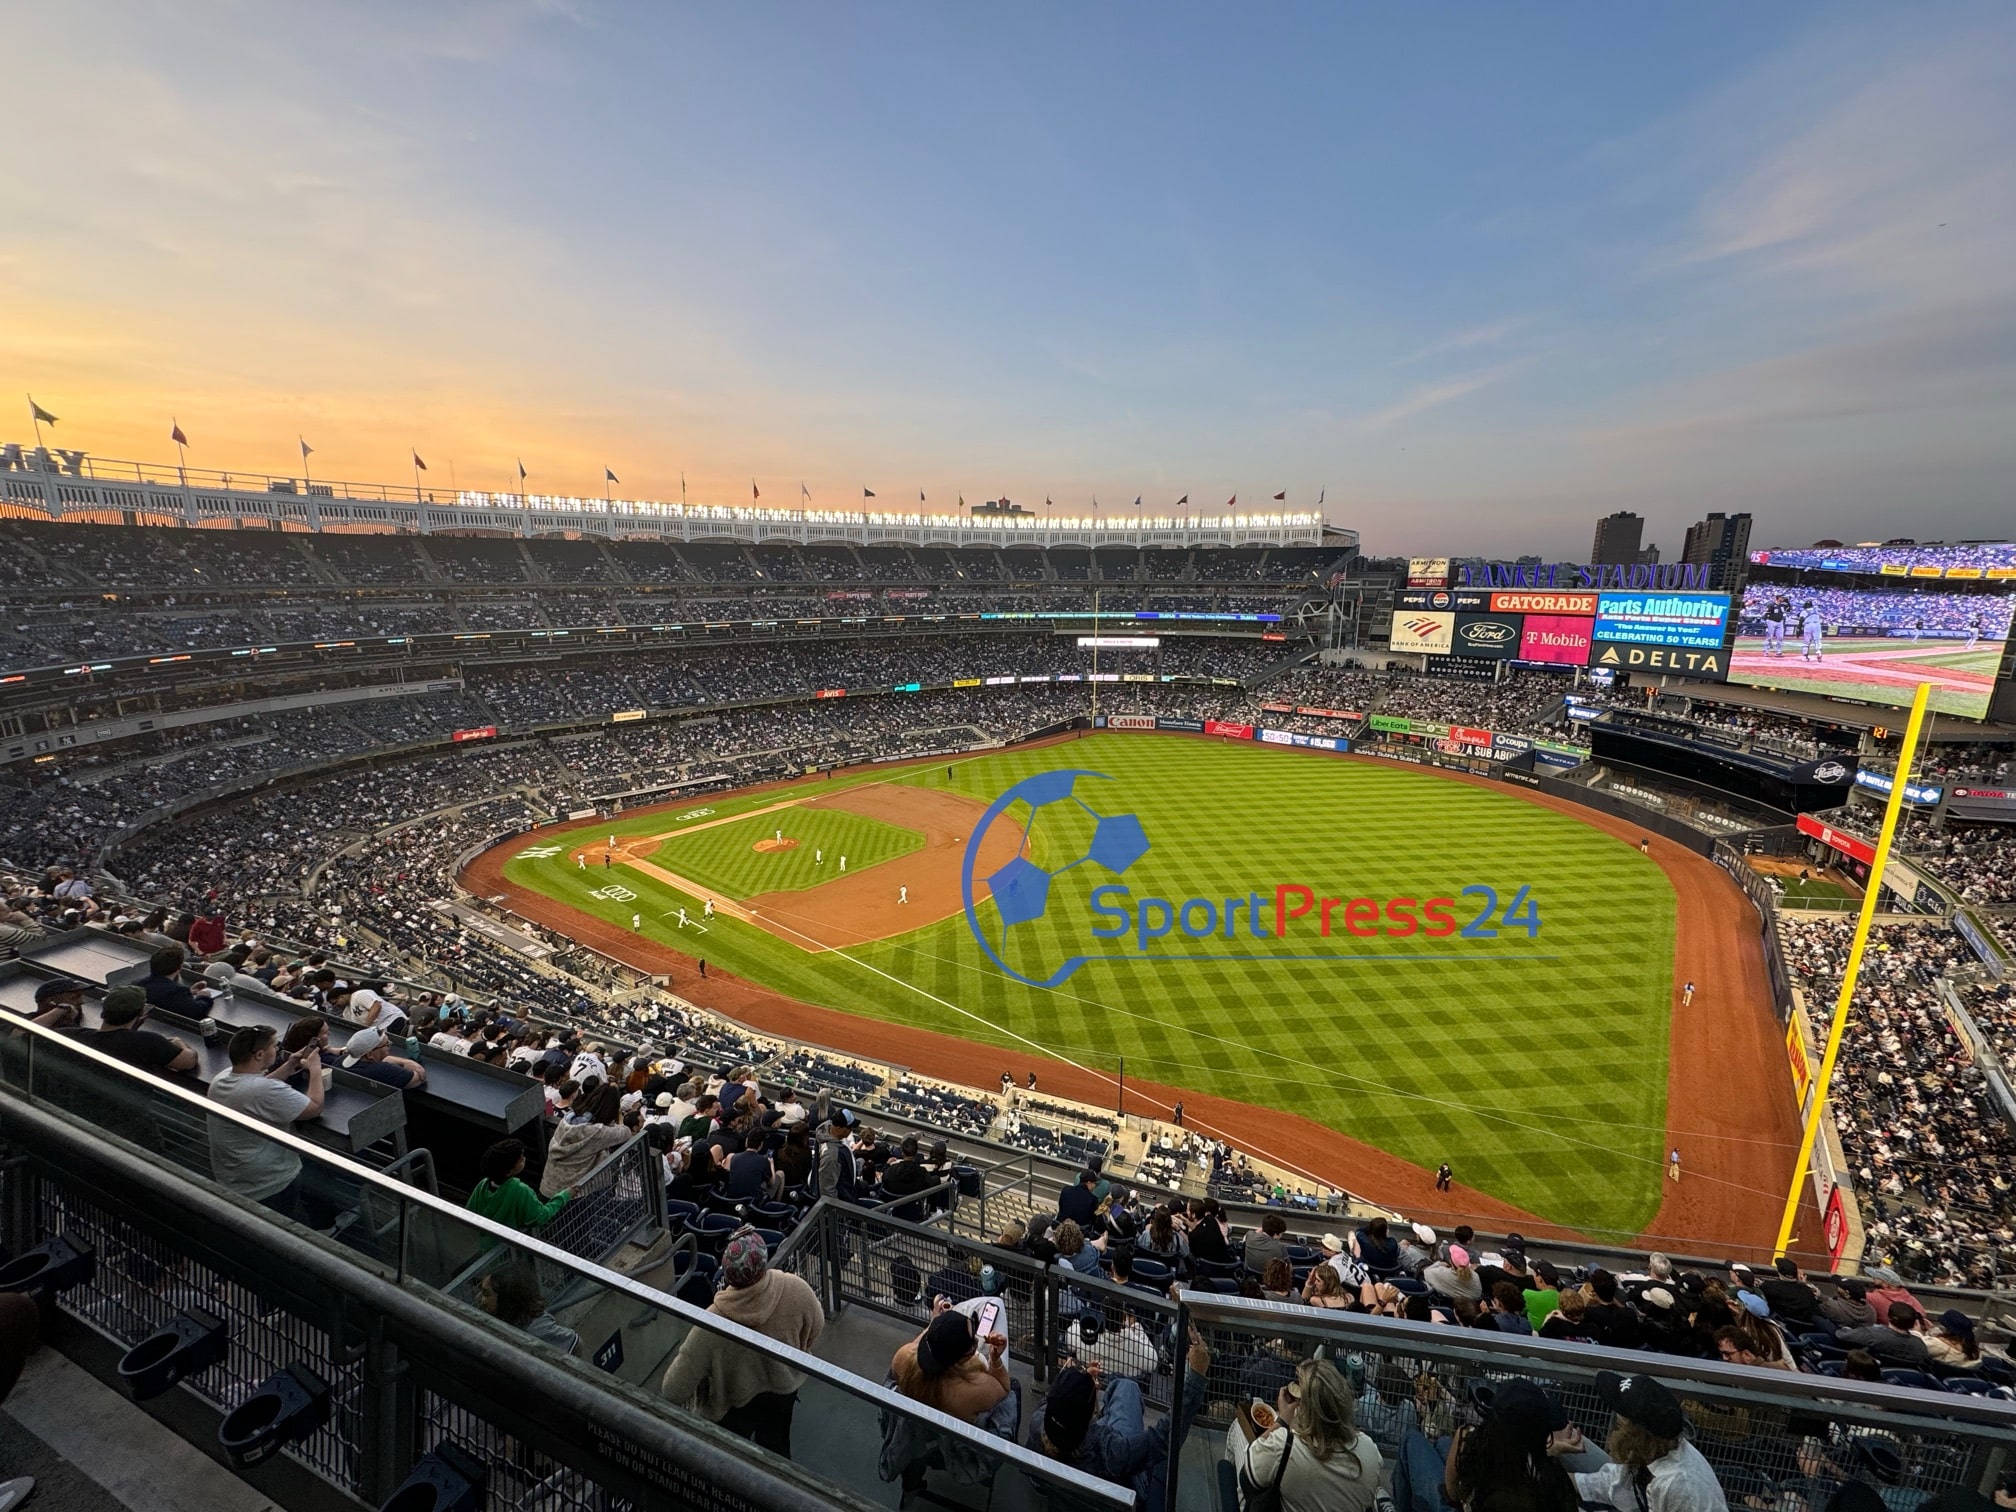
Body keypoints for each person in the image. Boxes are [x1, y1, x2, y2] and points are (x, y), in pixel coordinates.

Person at [661, 1227, 825, 1459]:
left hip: (732, 1408)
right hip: (783, 1391)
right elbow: (816, 1329)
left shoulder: (711, 1323)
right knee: (777, 1451)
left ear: (727, 1274)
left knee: (734, 1464)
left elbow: (673, 1389)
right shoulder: (796, 1287)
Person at [1030, 1323, 1211, 1511]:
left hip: (1063, 1479)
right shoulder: (1112, 1451)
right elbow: (1164, 1438)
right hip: (1115, 1485)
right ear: (1092, 1413)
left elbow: (1054, 1404)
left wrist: (1081, 1385)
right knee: (1127, 1387)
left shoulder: (1037, 1424)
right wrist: (1196, 1378)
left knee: (1124, 1387)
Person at [1224, 1357, 1380, 1512]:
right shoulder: (1370, 1452)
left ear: (1307, 1410)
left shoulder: (1285, 1446)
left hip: (1270, 1467)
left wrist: (1282, 1421)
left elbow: (1247, 1480)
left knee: (1238, 1426)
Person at [206, 1024, 326, 1220]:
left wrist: (289, 1065)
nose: (277, 1049)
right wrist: (315, 1070)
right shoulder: (265, 1091)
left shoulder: (223, 1077)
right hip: (268, 1184)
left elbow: (260, 1085)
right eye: (274, 1046)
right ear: (259, 1055)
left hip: (233, 1176)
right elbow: (315, 1106)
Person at [1564, 1371, 1729, 1510]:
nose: (1615, 1423)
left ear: (1631, 1435)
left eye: (1620, 1421)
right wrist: (1559, 1478)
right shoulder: (1654, 1455)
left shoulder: (1678, 1484)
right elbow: (1616, 1484)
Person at [891, 1301, 1010, 1424]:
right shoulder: (968, 1391)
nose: (975, 1340)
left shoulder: (903, 1358)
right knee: (997, 1303)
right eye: (972, 1343)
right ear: (962, 1358)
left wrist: (935, 1323)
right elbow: (1004, 1389)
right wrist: (995, 1359)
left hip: (920, 1426)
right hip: (955, 1439)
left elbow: (924, 1343)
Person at [540, 1083, 636, 1199]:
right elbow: (625, 1132)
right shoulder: (596, 1132)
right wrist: (619, 1115)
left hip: (549, 1186)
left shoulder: (568, 1119)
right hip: (574, 1196)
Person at [82, 984, 197, 1074]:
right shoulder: (148, 1041)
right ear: (141, 1013)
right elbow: (188, 1061)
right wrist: (179, 1042)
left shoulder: (77, 1035)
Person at [467, 1138, 570, 1231]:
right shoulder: (520, 1190)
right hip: (515, 1246)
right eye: (520, 1159)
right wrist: (564, 1196)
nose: (524, 1159)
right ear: (509, 1171)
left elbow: (469, 1212)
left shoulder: (482, 1186)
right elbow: (541, 1216)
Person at [477, 1263, 580, 1355]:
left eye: (487, 1294)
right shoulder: (494, 1318)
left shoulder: (535, 1327)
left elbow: (575, 1342)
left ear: (506, 1298)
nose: (480, 1299)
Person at [1836, 1303, 1932, 1367]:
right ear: (1914, 1324)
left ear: (1889, 1318)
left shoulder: (1872, 1334)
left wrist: (1845, 1329)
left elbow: (1841, 1335)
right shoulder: (1920, 1345)